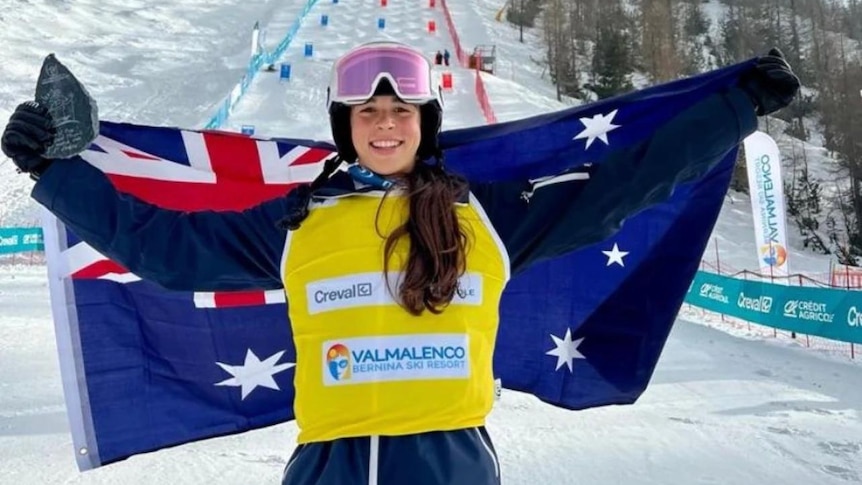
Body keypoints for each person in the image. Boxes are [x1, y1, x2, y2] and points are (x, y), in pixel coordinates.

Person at [1, 42, 799, 484]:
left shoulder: (489, 214)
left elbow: (626, 182)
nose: (385, 124)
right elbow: (165, 249)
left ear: (426, 120)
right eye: (367, 112)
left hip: (448, 463)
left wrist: (736, 108)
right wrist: (54, 171)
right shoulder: (298, 222)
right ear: (345, 126)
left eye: (400, 110)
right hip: (326, 470)